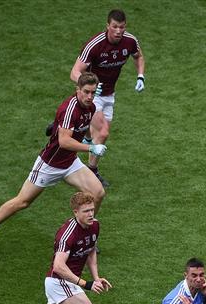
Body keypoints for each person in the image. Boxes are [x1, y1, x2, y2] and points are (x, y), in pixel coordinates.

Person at [0, 72, 106, 255]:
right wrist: (91, 148)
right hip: (49, 165)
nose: (90, 96)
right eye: (86, 92)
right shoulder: (70, 109)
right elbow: (64, 142)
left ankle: (83, 235)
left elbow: (83, 130)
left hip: (69, 163)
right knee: (22, 202)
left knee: (98, 192)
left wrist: (87, 140)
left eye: (93, 92)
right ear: (77, 89)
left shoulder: (90, 106)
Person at [68, 8, 145, 185]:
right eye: (115, 27)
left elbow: (139, 57)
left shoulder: (130, 41)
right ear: (108, 26)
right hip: (93, 95)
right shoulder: (95, 45)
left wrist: (141, 76)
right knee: (103, 132)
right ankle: (92, 172)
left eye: (122, 27)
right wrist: (90, 84)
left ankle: (77, 128)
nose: (119, 31)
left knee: (97, 134)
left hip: (110, 94)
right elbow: (75, 71)